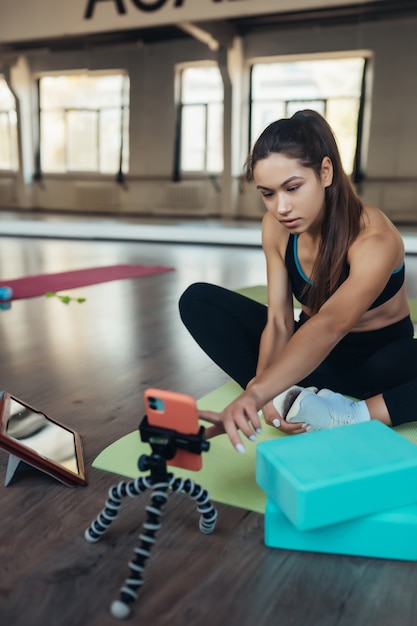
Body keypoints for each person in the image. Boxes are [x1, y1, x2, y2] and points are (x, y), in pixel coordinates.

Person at [179, 109, 417, 453]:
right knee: (198, 300)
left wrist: (257, 392)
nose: (281, 207)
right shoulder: (275, 228)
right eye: (268, 193)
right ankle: (289, 395)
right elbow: (278, 321)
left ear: (324, 171)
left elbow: (331, 324)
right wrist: (262, 394)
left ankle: (354, 413)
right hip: (309, 360)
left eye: (292, 188)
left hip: (379, 366)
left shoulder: (374, 238)